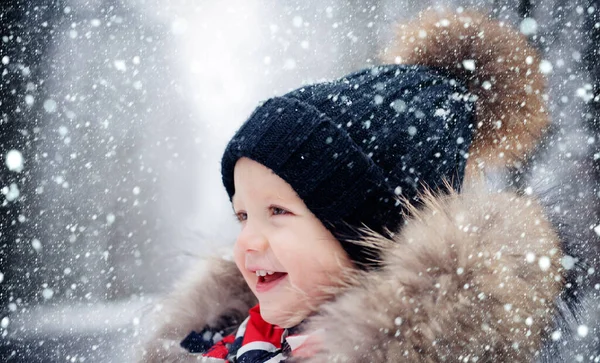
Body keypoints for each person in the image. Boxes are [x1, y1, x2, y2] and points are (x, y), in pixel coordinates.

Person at [138, 9, 564, 362]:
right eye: (243, 217)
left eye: (278, 212)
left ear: (370, 233)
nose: (247, 242)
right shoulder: (224, 345)